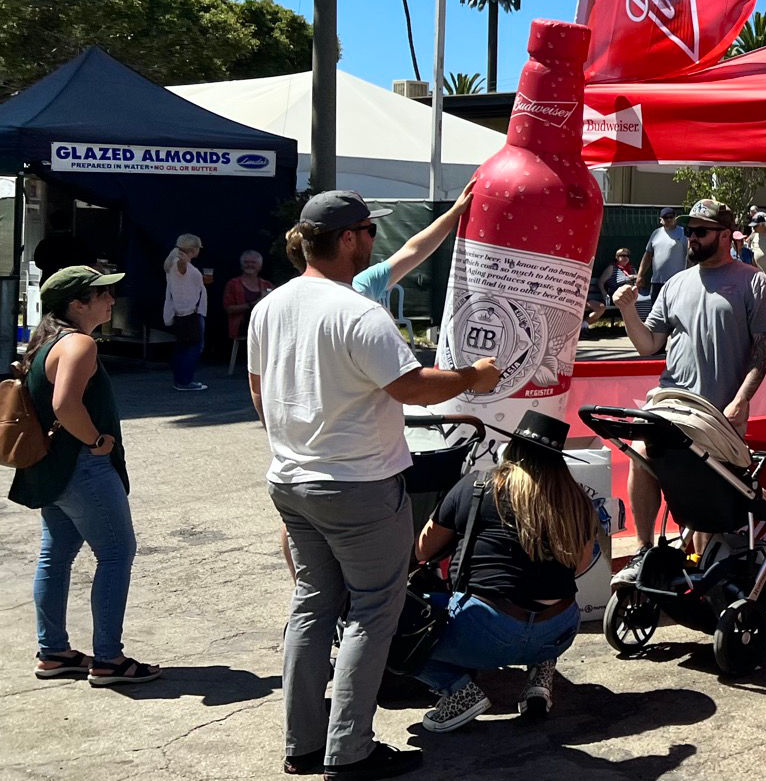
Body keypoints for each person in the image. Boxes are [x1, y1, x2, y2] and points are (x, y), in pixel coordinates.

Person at [249, 190, 502, 781]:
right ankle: (349, 749)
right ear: (344, 240)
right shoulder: (360, 313)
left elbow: (259, 390)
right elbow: (412, 387)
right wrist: (475, 375)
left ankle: (304, 744)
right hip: (358, 484)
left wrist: (295, 439)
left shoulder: (273, 305)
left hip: (292, 480)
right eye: (366, 229)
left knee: (313, 607)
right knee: (371, 612)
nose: (373, 239)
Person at [609, 198, 766, 583]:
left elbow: (763, 352)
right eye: (689, 231)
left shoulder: (753, 281)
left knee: (708, 498)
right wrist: (627, 311)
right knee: (640, 453)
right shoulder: (675, 284)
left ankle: (708, 572)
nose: (691, 238)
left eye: (700, 231)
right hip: (672, 403)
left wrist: (740, 401)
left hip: (719, 416)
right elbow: (649, 345)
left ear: (724, 235)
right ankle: (644, 550)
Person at [11, 265, 161, 687]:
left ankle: (54, 652)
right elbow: (65, 405)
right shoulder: (79, 344)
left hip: (53, 469)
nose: (111, 301)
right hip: (83, 466)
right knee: (116, 554)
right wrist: (97, 441)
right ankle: (109, 660)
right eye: (102, 295)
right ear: (78, 304)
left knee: (55, 556)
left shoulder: (47, 342)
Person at [409, 409, 597, 732]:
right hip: (560, 628)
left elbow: (423, 549)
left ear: (513, 451)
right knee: (538, 610)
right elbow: (578, 567)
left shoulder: (479, 486)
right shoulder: (577, 499)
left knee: (387, 624)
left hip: (486, 628)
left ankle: (458, 690)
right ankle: (541, 669)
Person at [349, 180, 475, 308]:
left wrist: (454, 212)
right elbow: (413, 250)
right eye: (371, 230)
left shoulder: (364, 282)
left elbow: (414, 250)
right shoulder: (361, 286)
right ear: (348, 238)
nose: (374, 238)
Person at [162, 233, 208, 391]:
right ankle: (185, 381)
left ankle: (181, 379)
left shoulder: (174, 262)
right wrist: (184, 261)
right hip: (190, 312)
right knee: (193, 347)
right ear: (193, 249)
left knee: (183, 346)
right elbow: (182, 268)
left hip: (184, 311)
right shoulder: (180, 263)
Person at [223, 250, 276, 346]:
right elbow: (229, 309)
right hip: (241, 327)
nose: (249, 265)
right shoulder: (233, 284)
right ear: (241, 265)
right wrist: (253, 304)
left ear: (260, 266)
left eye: (253, 262)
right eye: (246, 262)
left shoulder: (267, 285)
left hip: (264, 327)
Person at [635, 206, 688, 298]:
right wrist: (640, 275)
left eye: (671, 217)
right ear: (661, 219)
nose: (668, 219)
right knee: (655, 310)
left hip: (676, 281)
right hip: (657, 282)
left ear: (675, 217)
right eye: (665, 217)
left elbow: (690, 256)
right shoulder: (656, 233)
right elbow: (647, 256)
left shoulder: (683, 233)